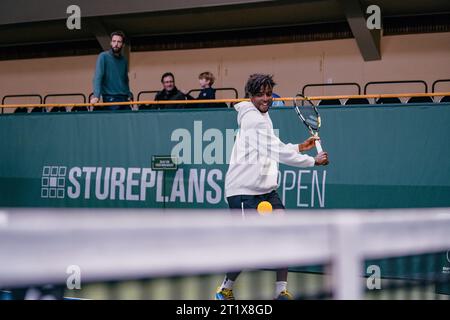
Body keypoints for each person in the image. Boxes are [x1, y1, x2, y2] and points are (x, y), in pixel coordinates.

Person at [215, 74, 329, 300]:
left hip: (265, 189)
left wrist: (298, 147)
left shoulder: (263, 117)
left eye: (268, 94)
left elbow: (273, 146)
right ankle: (225, 289)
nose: (265, 99)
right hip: (243, 191)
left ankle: (281, 292)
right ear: (251, 96)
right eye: (260, 94)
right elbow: (274, 151)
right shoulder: (252, 119)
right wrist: (312, 161)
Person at [90, 31, 132, 111]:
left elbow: (125, 79)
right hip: (110, 97)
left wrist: (128, 94)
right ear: (111, 43)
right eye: (114, 41)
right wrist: (96, 96)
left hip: (124, 98)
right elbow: (98, 77)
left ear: (122, 45)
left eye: (119, 42)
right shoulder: (103, 56)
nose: (116, 44)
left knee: (127, 121)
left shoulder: (124, 60)